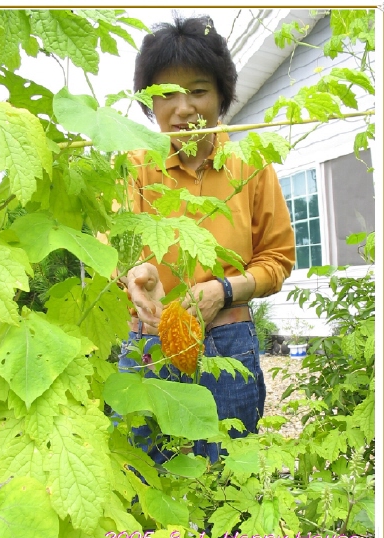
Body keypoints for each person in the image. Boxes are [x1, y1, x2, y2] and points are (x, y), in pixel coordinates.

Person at [118, 14, 295, 464]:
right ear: (148, 104)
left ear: (221, 97)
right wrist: (133, 274)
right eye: (167, 93)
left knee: (228, 478)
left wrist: (225, 289)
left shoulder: (250, 164)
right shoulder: (132, 165)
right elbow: (111, 249)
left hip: (228, 340)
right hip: (148, 345)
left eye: (198, 91)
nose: (184, 107)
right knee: (146, 481)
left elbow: (278, 258)